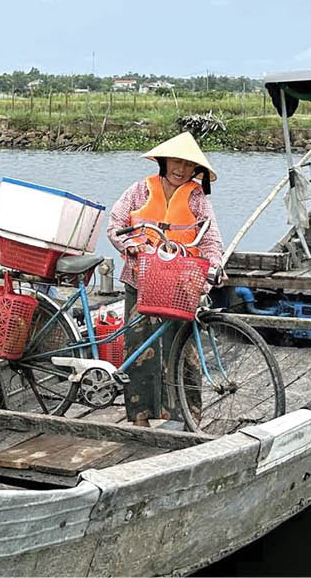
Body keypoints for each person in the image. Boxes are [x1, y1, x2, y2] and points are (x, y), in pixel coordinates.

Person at [107, 132, 224, 426]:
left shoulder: (197, 199)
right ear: (164, 161)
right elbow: (115, 225)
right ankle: (140, 416)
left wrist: (214, 268)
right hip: (140, 279)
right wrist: (130, 245)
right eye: (175, 161)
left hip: (181, 284)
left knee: (183, 350)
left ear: (196, 170)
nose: (180, 169)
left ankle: (186, 418)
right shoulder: (139, 191)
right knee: (139, 347)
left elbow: (210, 241)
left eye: (187, 164)